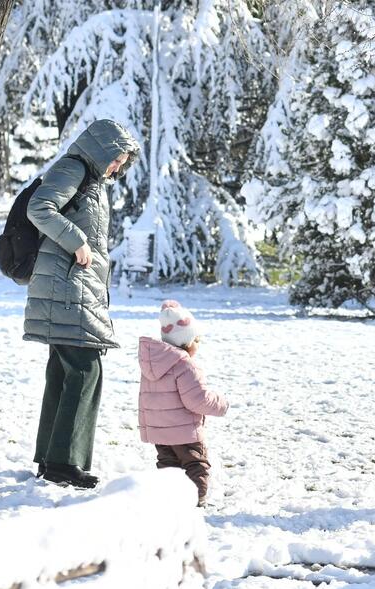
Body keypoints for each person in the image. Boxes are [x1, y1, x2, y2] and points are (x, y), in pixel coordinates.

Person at [26, 119, 140, 488]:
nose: (118, 167)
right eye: (117, 159)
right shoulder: (73, 168)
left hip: (72, 287)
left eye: (123, 162)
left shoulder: (89, 179)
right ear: (102, 149)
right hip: (66, 287)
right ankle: (64, 462)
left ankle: (51, 458)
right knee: (85, 369)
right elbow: (40, 208)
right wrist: (76, 241)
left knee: (64, 371)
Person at [138, 301, 228, 507]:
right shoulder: (185, 365)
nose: (199, 344)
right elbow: (198, 399)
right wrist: (221, 404)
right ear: (187, 342)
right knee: (196, 464)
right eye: (197, 339)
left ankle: (170, 499)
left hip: (160, 431)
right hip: (184, 432)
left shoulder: (154, 363)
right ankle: (196, 500)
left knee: (169, 466)